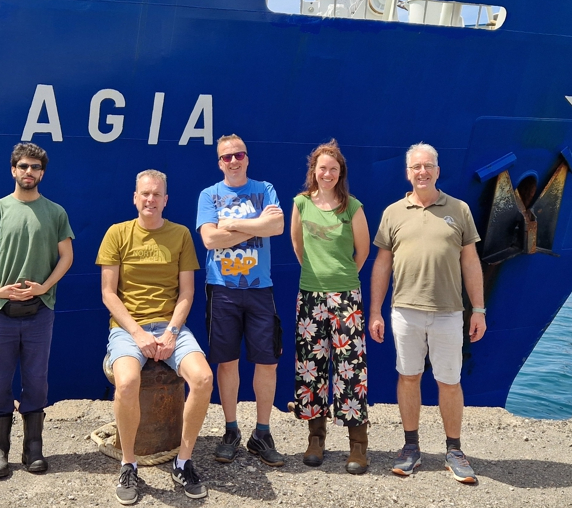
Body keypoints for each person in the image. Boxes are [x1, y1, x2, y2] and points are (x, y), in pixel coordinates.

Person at [367, 142, 487, 484]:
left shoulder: (459, 209)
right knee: (408, 377)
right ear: (408, 172)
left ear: (437, 170)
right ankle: (410, 448)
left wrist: (477, 309)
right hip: (405, 310)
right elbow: (382, 264)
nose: (422, 172)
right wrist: (375, 310)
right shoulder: (393, 213)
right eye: (416, 167)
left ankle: (454, 450)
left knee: (449, 381)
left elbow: (470, 261)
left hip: (449, 312)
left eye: (428, 166)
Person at [99, 170, 214, 505]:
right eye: (144, 194)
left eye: (156, 194)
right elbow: (109, 294)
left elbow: (187, 294)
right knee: (126, 383)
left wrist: (170, 334)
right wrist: (137, 333)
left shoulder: (179, 235)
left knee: (204, 378)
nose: (150, 200)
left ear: (166, 199)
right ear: (135, 198)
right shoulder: (117, 234)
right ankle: (129, 463)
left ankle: (183, 461)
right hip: (126, 328)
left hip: (170, 327)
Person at [0, 142, 75, 479]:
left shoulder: (56, 212)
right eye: (23, 166)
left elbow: (67, 256)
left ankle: (34, 449)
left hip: (39, 312)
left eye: (35, 167)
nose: (29, 172)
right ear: (13, 170)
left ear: (42, 172)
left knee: (37, 382)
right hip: (0, 312)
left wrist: (44, 287)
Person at [195, 134, 287, 466]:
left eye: (239, 155)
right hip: (221, 289)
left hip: (260, 288)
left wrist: (232, 224)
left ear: (247, 158)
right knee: (226, 360)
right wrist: (256, 226)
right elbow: (209, 238)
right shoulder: (209, 195)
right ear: (219, 162)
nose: (233, 161)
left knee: (267, 361)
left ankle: (262, 433)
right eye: (226, 157)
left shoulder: (265, 189)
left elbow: (277, 225)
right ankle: (231, 430)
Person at [288, 140, 372, 474]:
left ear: (340, 174)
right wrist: (316, 273)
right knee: (311, 367)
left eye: (333, 169)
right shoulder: (301, 203)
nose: (327, 174)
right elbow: (297, 245)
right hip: (310, 294)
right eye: (322, 168)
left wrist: (341, 277)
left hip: (346, 297)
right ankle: (315, 439)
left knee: (351, 369)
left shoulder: (352, 207)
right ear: (314, 171)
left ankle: (358, 446)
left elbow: (362, 251)